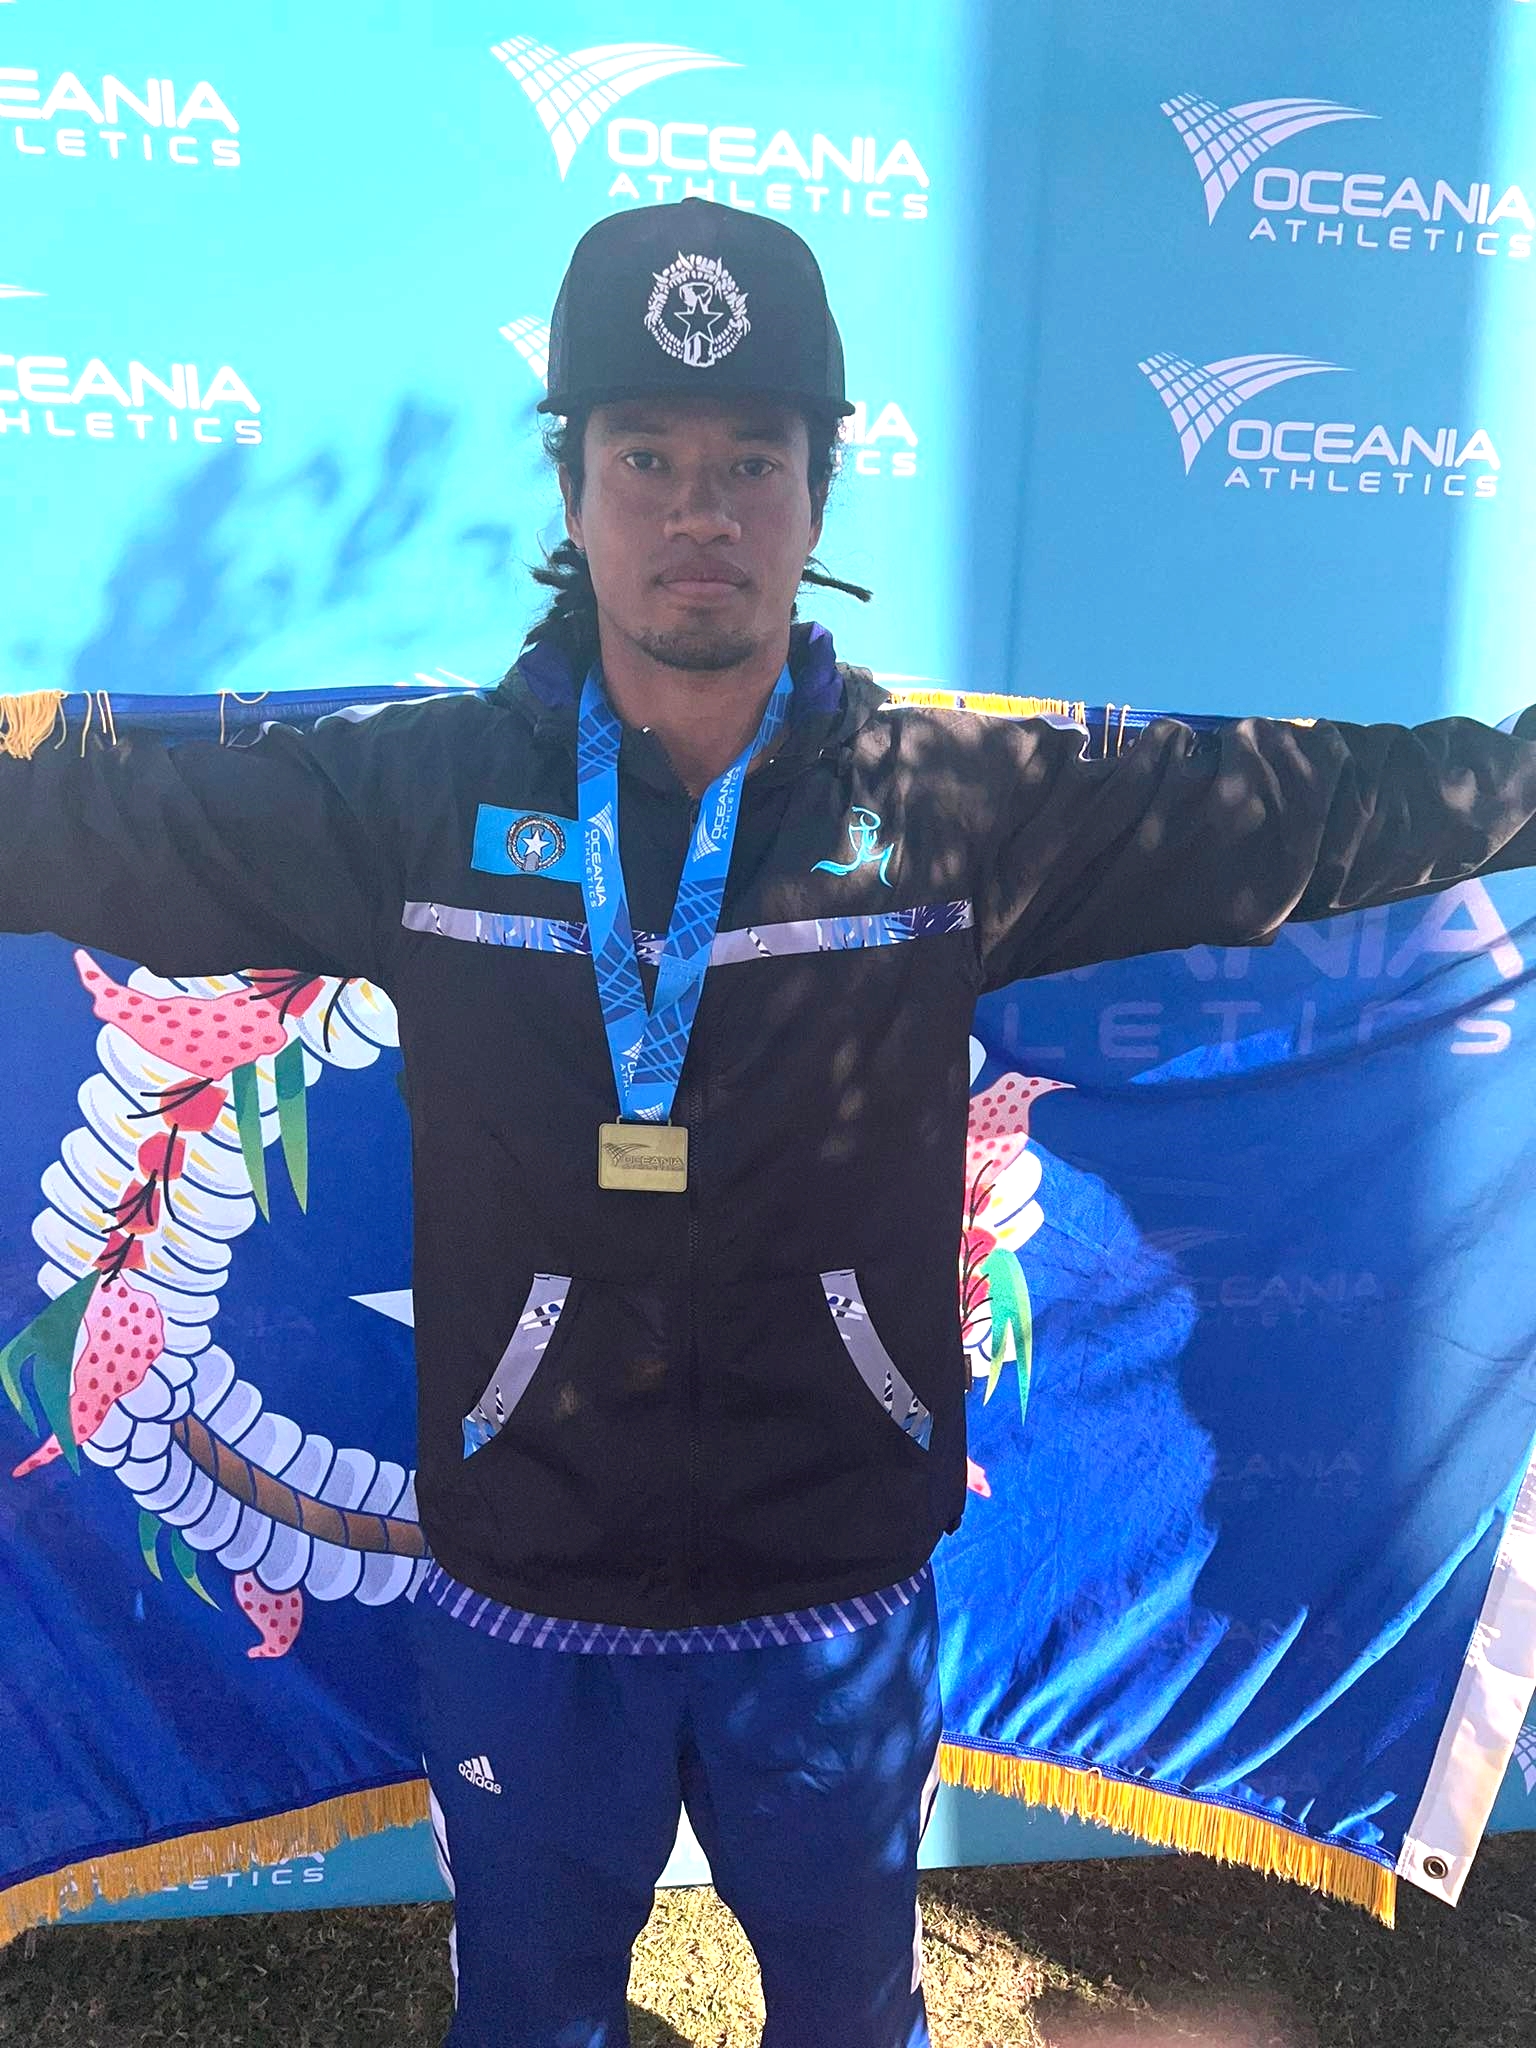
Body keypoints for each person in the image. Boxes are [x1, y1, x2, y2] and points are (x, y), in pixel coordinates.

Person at [5, 196, 1536, 2047]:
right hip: (526, 1590)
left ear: (819, 500)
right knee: (532, 2026)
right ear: (573, 490)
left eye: (752, 460)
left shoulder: (952, 806)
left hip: (828, 1600)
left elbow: (1291, 810)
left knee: (846, 2021)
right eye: (646, 456)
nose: (700, 512)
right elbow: (93, 830)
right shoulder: (416, 796)